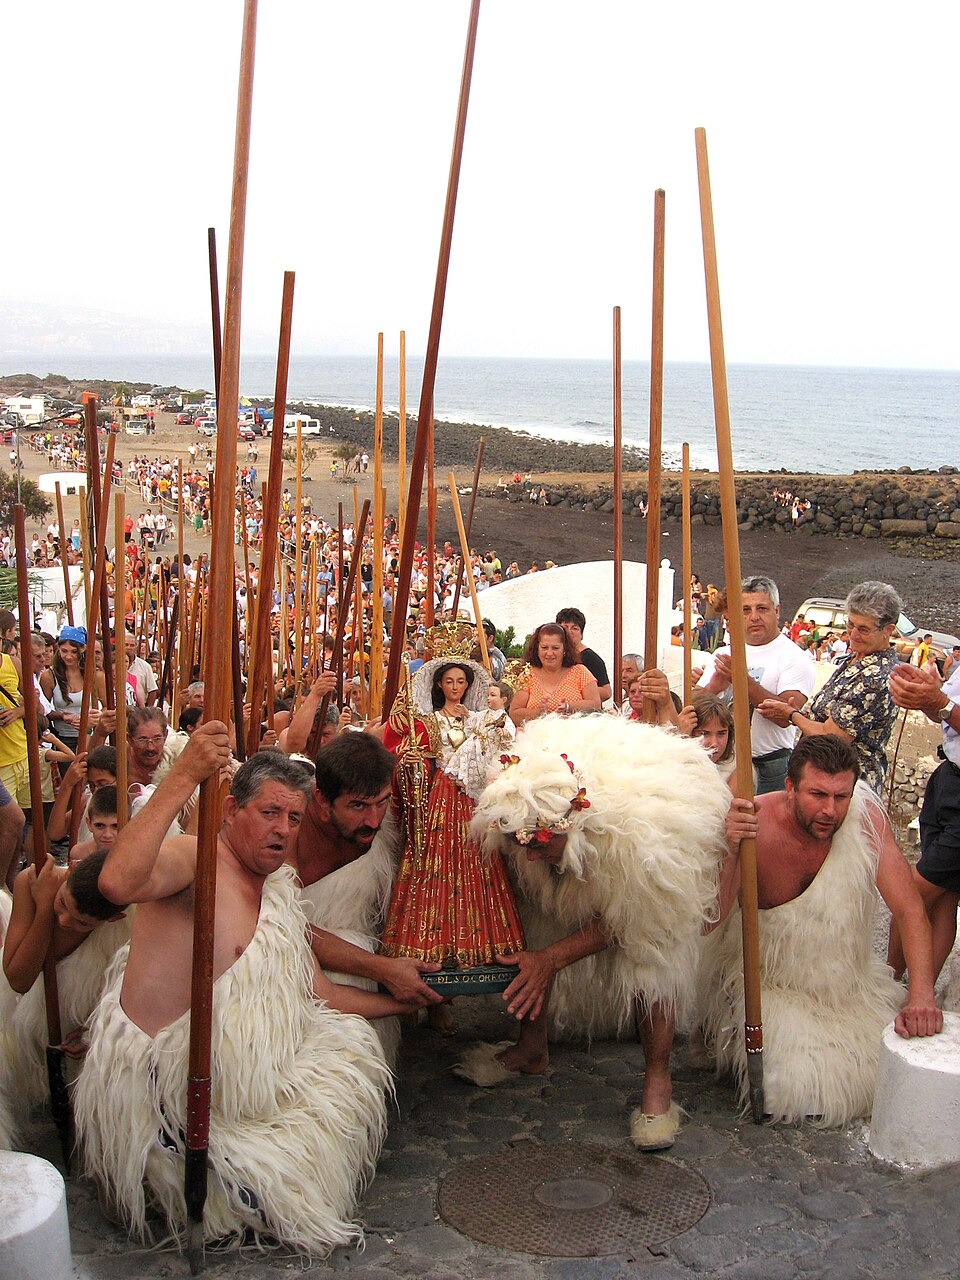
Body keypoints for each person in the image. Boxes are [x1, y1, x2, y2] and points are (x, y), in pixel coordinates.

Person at [76, 732, 405, 1255]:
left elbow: (318, 991)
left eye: (293, 819)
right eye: (269, 813)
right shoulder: (195, 858)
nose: (282, 831)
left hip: (243, 1082)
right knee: (279, 1173)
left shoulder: (275, 886)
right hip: (167, 1099)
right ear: (231, 810)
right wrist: (183, 775)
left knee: (350, 1050)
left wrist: (405, 1000)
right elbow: (117, 883)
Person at [457, 714, 729, 1151]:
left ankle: (657, 1081)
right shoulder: (519, 803)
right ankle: (531, 1048)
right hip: (574, 823)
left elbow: (633, 922)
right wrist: (541, 954)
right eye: (523, 845)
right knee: (535, 930)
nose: (529, 857)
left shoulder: (643, 842)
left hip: (647, 884)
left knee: (652, 961)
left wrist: (554, 959)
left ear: (574, 825)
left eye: (541, 844)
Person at [699, 735, 941, 1127]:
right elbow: (710, 921)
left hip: (846, 984)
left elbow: (910, 909)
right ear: (790, 787)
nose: (830, 810)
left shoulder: (865, 819)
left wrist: (921, 995)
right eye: (818, 794)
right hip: (771, 986)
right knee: (797, 1089)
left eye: (840, 797)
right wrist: (730, 848)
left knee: (888, 1074)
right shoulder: (752, 822)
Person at [380, 654, 525, 1031]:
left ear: (468, 685)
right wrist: (411, 761)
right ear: (439, 685)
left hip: (473, 802)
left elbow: (503, 745)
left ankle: (473, 950)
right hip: (439, 802)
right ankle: (430, 989)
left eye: (461, 681)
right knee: (433, 871)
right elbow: (409, 755)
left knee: (479, 866)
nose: (456, 687)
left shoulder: (479, 719)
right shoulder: (429, 721)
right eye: (450, 682)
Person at [757, 581, 901, 795]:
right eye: (850, 625)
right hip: (824, 777)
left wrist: (791, 715)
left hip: (845, 787)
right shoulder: (856, 660)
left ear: (888, 631)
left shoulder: (876, 676)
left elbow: (832, 735)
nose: (853, 634)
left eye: (863, 629)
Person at [698, 576, 814, 793]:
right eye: (745, 610)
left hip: (768, 765)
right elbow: (695, 706)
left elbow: (786, 716)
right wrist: (713, 687)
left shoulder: (794, 658)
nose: (754, 617)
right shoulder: (723, 653)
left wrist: (740, 679)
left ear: (777, 611)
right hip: (718, 761)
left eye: (762, 608)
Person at [888, 659, 960, 985]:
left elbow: (947, 709)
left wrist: (940, 703)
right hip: (948, 778)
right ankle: (917, 989)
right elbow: (946, 717)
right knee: (943, 898)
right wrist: (925, 697)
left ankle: (891, 985)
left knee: (910, 894)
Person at [508, 623, 601, 724]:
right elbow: (514, 714)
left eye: (555, 648)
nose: (549, 653)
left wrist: (569, 707)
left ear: (564, 649)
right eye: (544, 647)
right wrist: (537, 712)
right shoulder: (527, 675)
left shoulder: (580, 672)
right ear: (537, 649)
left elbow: (595, 704)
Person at [555, 608, 612, 702]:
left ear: (581, 634)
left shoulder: (591, 658)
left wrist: (577, 691)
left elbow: (607, 692)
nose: (569, 632)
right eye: (565, 627)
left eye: (575, 628)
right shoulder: (552, 656)